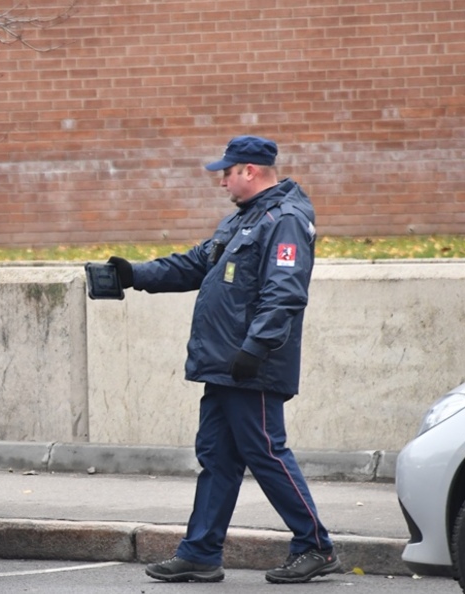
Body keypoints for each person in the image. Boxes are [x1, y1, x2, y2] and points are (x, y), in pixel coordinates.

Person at [107, 136, 339, 584]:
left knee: (267, 453)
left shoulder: (286, 220)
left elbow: (285, 292)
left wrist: (257, 348)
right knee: (217, 457)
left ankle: (315, 546)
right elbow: (196, 264)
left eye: (227, 173)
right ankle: (201, 553)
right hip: (226, 365)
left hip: (252, 365)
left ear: (249, 171)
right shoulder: (243, 221)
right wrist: (134, 275)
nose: (222, 182)